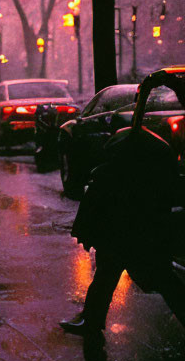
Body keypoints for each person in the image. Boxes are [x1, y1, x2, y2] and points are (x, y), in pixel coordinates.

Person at [61, 124, 185, 340]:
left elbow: (93, 211)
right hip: (133, 236)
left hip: (127, 238)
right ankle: (90, 319)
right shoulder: (152, 171)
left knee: (157, 278)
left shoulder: (110, 173)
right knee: (115, 275)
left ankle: (90, 320)